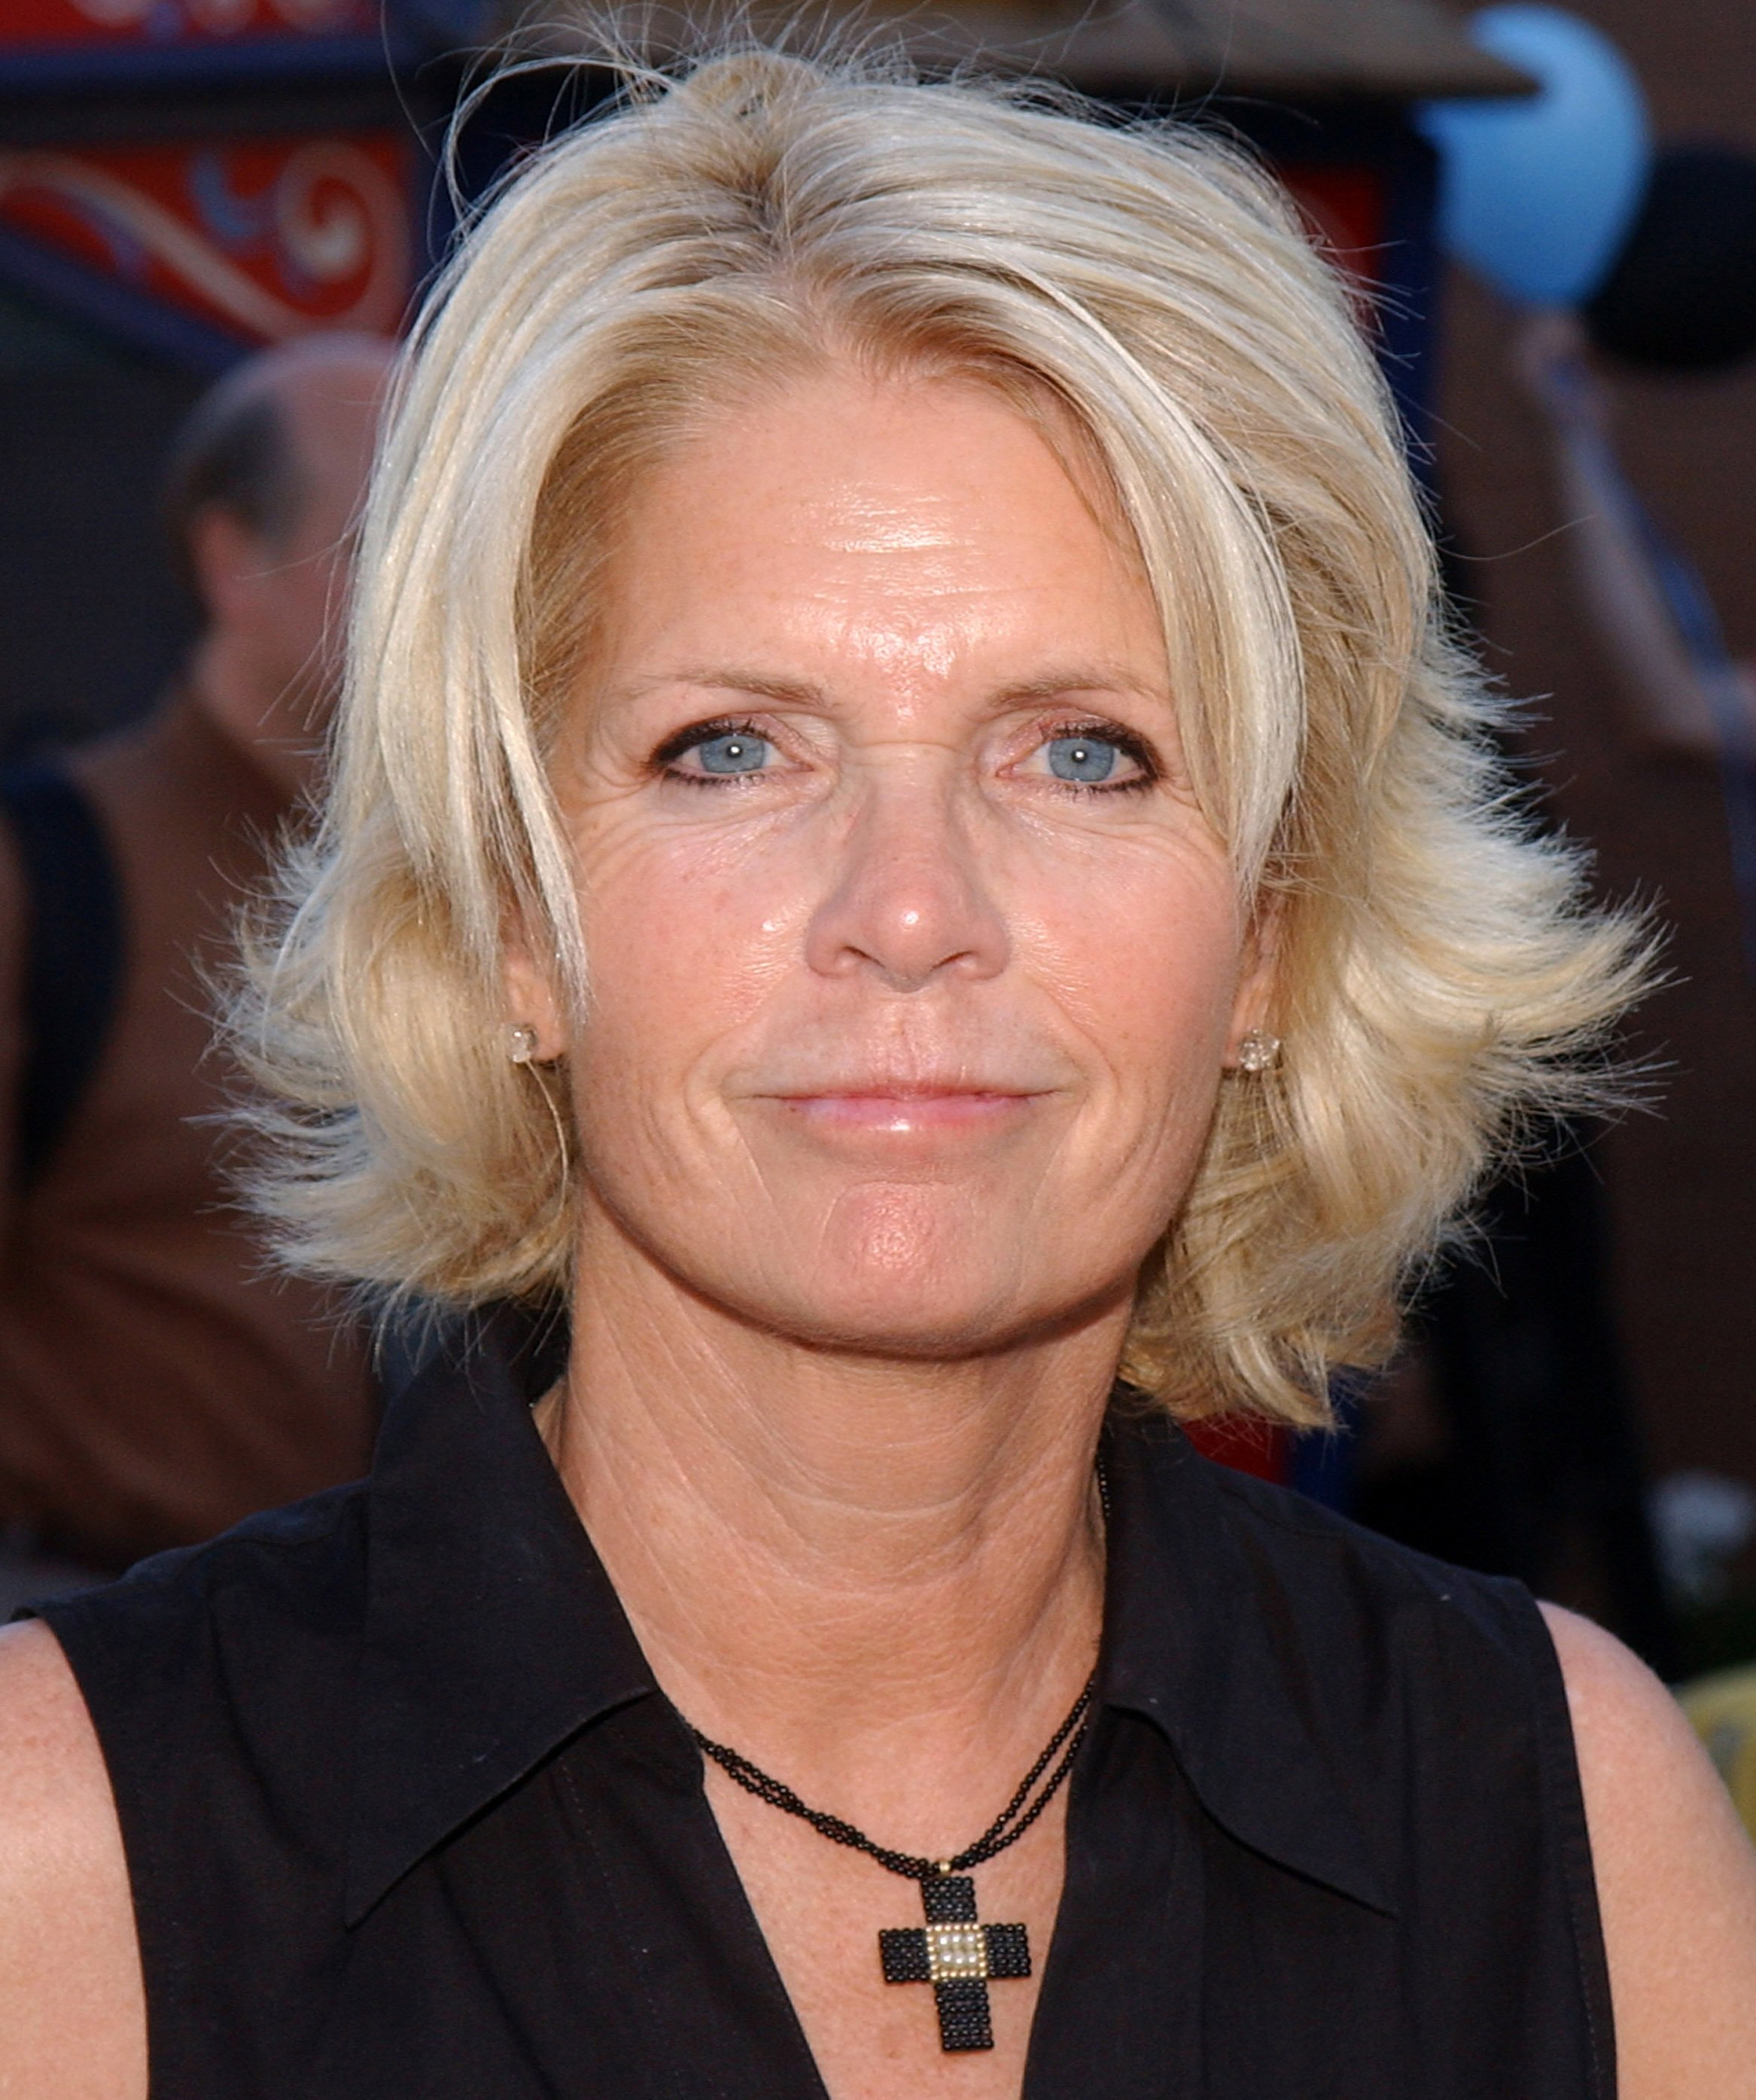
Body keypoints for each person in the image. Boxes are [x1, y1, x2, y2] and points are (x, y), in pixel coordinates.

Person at [2, 49, 1753, 2098]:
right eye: (730, 745)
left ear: (1271, 927)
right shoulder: (67, 1864)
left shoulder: (1565, 1820)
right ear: (503, 918)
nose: (908, 906)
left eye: (1082, 748)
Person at [0, 333, 392, 1574]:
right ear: (233, 557)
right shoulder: (51, 873)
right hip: (80, 1651)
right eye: (380, 539)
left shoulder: (484, 888)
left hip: (385, 1676)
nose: (433, 584)